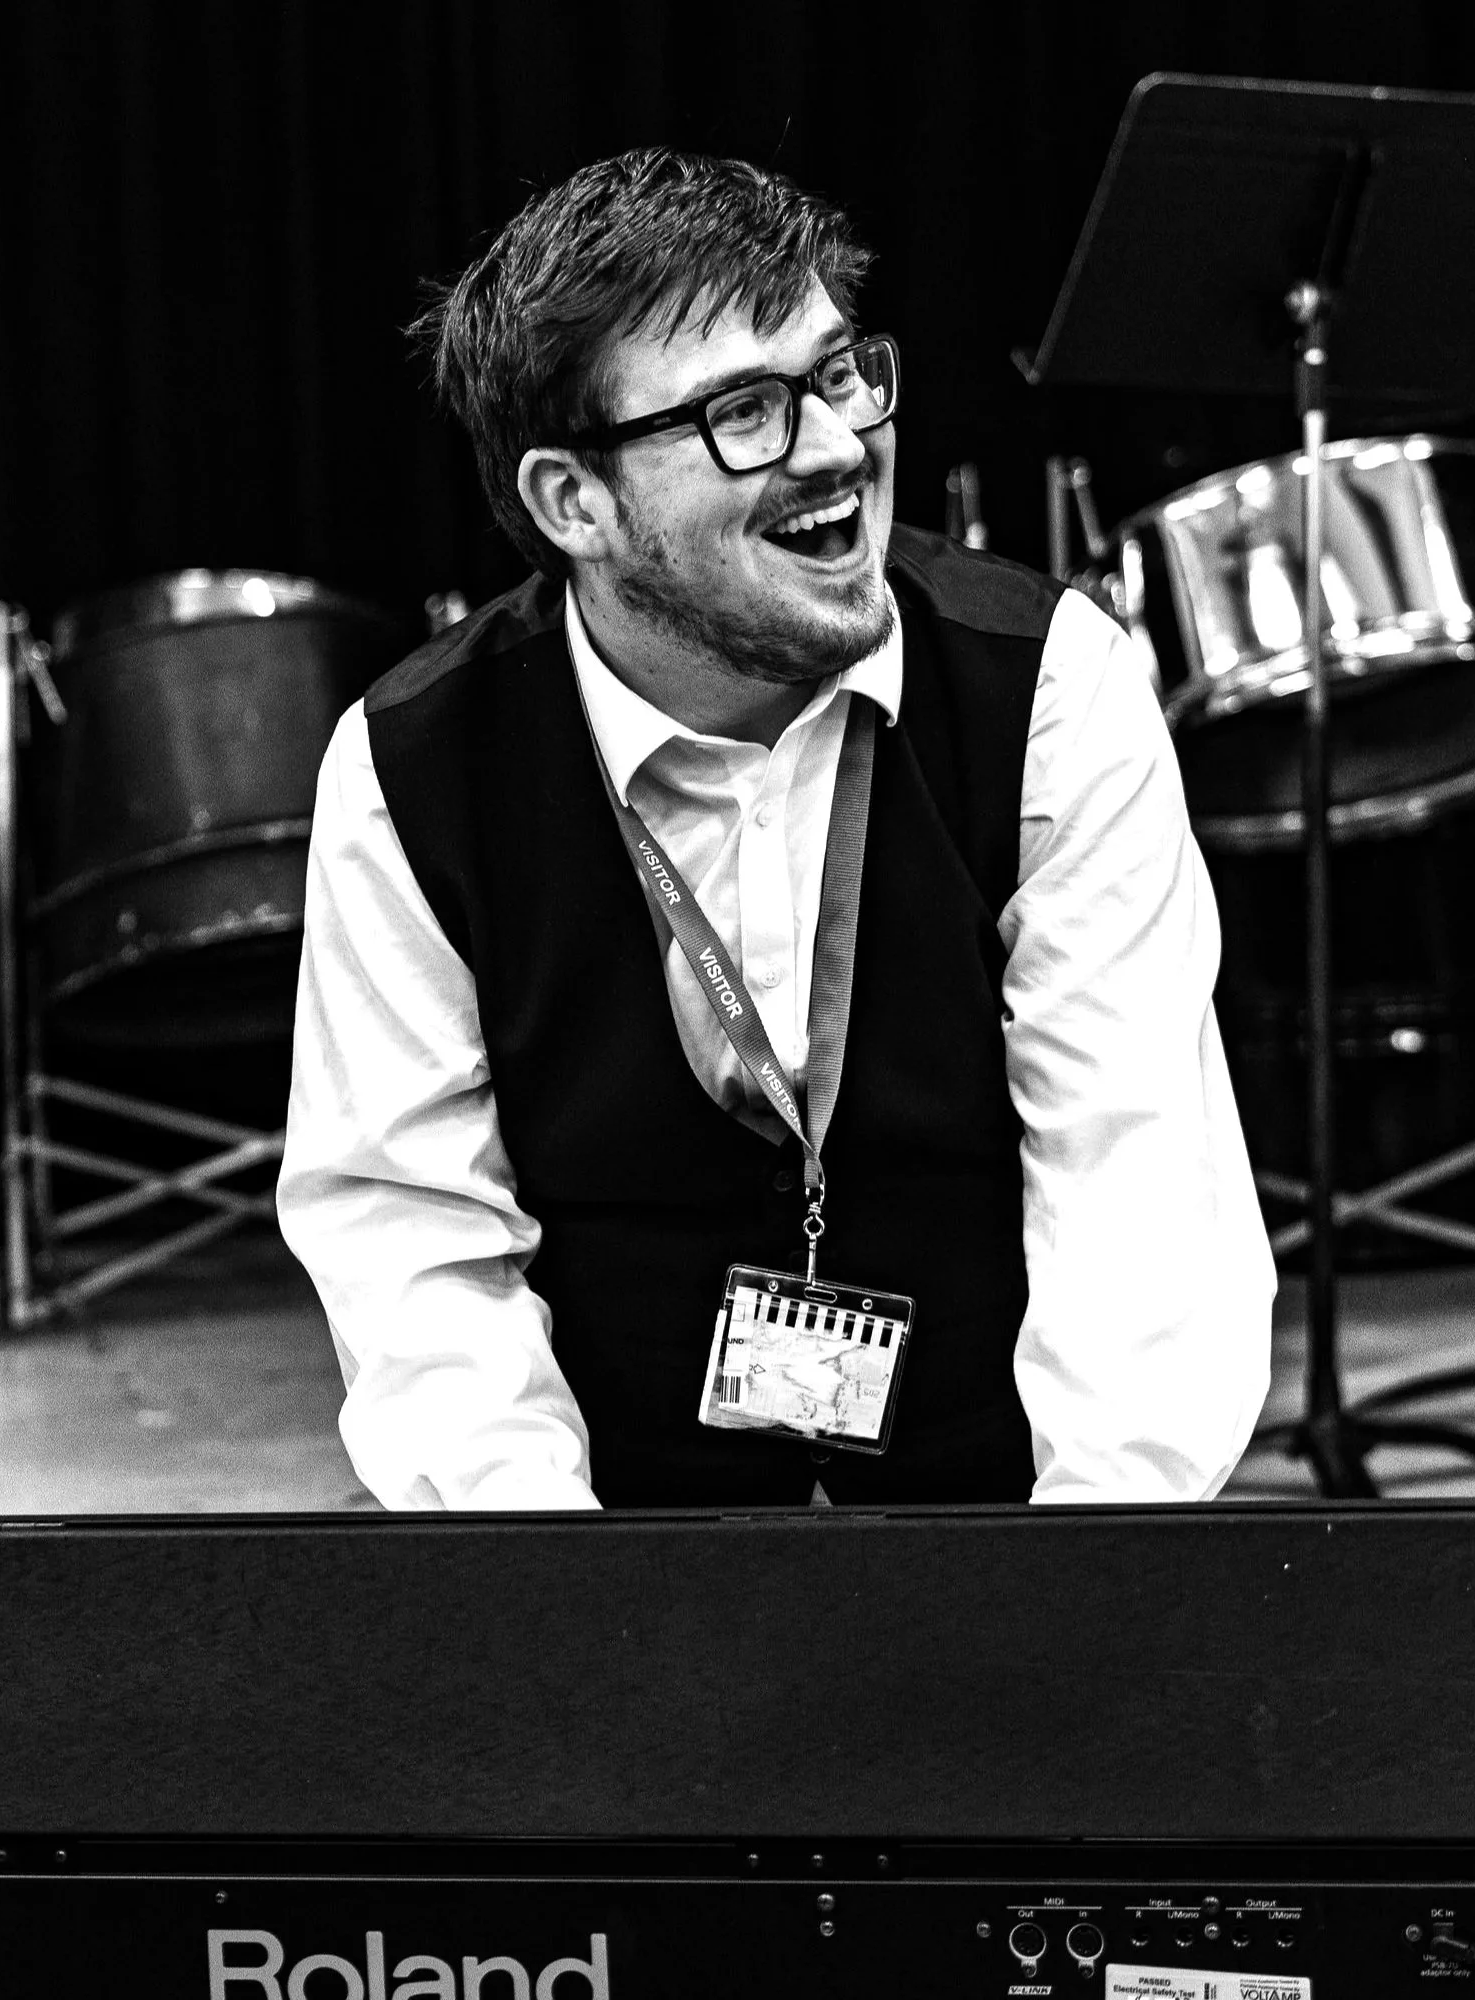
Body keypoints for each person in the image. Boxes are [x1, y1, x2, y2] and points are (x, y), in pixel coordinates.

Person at [276, 148, 1272, 1510]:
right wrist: (573, 1622)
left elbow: (1135, 1200)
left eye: (842, 371)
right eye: (744, 410)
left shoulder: (1050, 684)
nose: (836, 445)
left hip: (1005, 1519)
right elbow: (414, 1247)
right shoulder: (413, 767)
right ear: (575, 501)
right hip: (611, 1542)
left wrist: (1071, 1606)